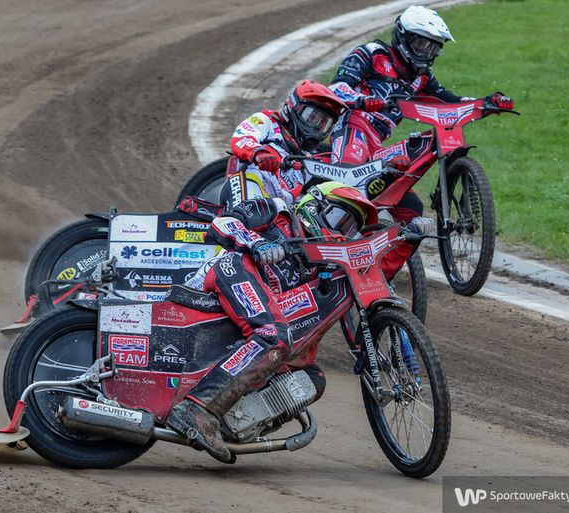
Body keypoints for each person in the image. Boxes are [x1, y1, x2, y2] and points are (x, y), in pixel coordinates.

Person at [169, 183, 432, 463]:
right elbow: (224, 222)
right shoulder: (277, 210)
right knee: (274, 336)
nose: (342, 232)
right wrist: (257, 242)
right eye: (339, 219)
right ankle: (197, 410)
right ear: (314, 205)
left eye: (351, 228)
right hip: (228, 272)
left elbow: (374, 271)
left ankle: (232, 422)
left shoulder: (332, 261)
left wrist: (409, 239)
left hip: (256, 314)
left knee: (311, 378)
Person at [328, 5, 514, 222]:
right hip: (353, 127)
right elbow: (336, 88)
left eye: (432, 48)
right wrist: (363, 100)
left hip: (377, 145)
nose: (426, 53)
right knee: (349, 184)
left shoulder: (422, 77)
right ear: (403, 37)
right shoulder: (370, 53)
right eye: (420, 45)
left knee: (412, 209)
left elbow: (451, 101)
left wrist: (486, 103)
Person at [222, 80, 348, 208]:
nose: (317, 128)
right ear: (294, 106)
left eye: (324, 124)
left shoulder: (310, 162)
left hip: (275, 211)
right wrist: (259, 153)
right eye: (312, 118)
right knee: (254, 200)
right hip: (246, 189)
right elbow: (241, 138)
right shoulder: (268, 121)